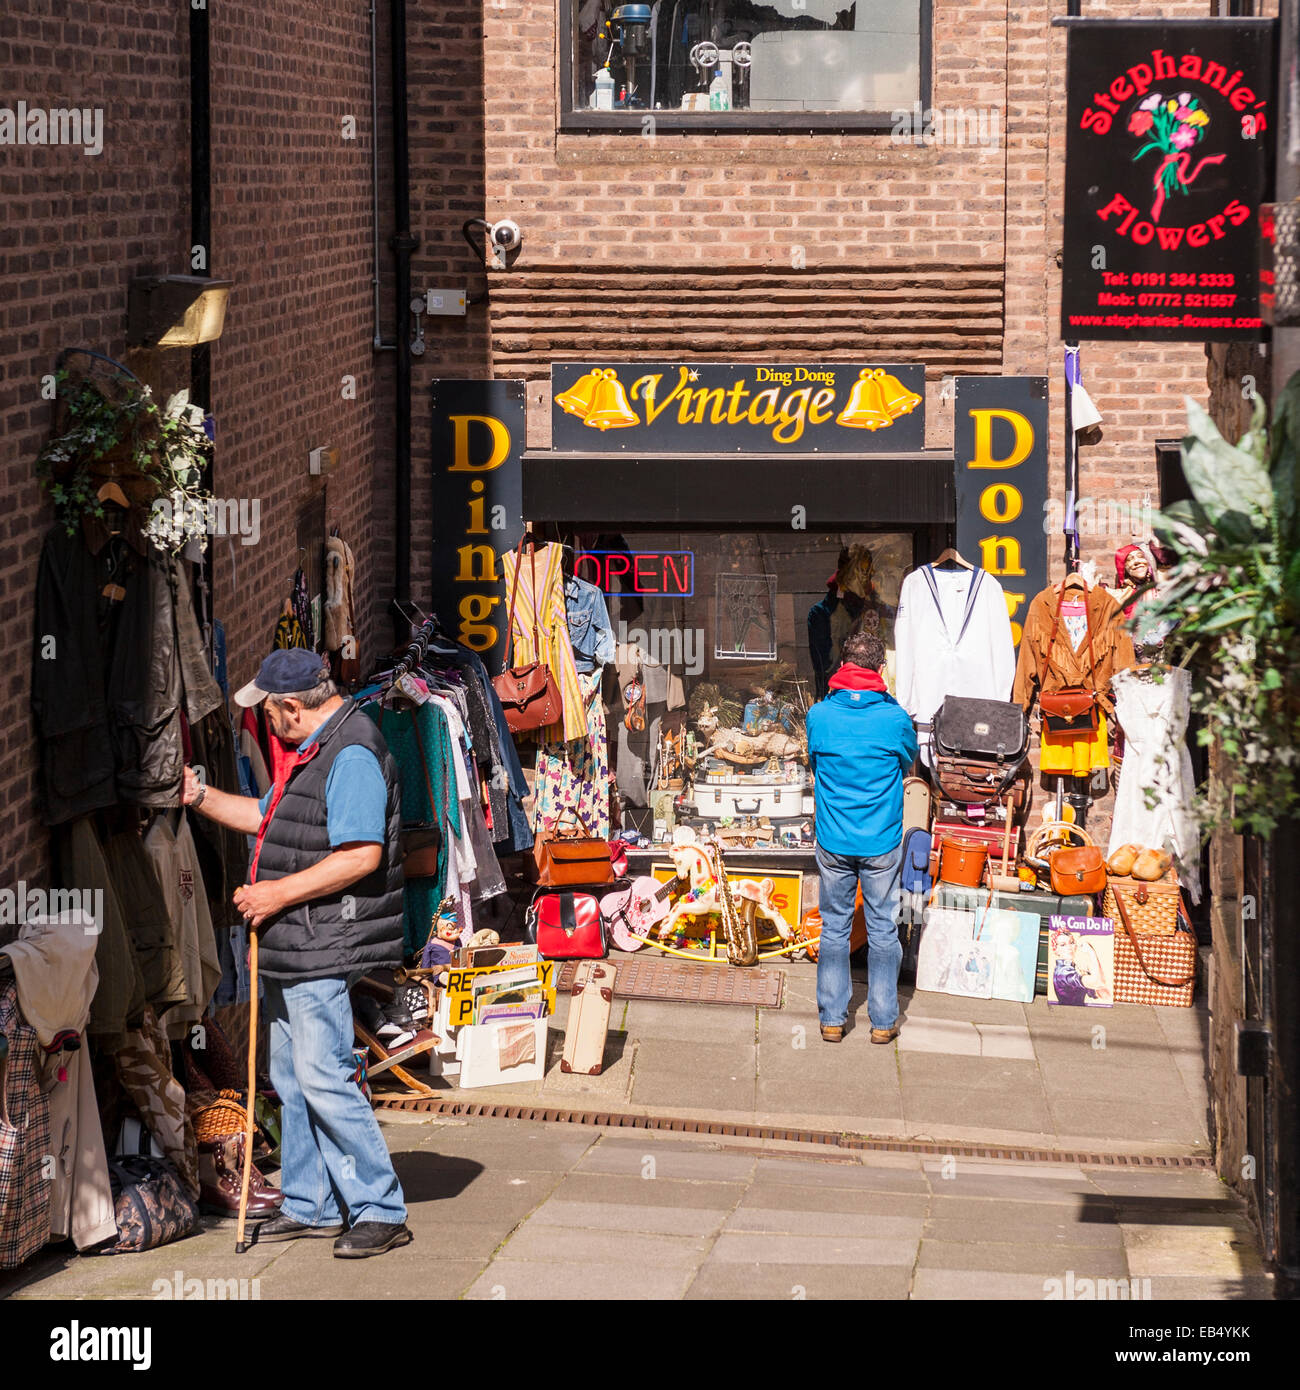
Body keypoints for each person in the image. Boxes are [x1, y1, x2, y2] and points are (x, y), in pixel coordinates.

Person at [183, 648, 412, 1258]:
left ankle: (380, 1208)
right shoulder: (313, 749)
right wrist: (197, 795)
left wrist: (273, 893)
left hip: (319, 940)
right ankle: (310, 1201)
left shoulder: (353, 752)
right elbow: (267, 818)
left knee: (322, 1073)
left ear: (290, 707)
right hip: (291, 939)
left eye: (269, 711)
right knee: (290, 1075)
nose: (268, 723)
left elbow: (360, 854)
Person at [805, 630, 917, 1044]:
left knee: (834, 928)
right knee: (883, 928)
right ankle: (883, 1021)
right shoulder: (895, 719)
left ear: (841, 666)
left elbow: (814, 761)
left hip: (834, 837)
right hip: (881, 840)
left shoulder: (819, 715)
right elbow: (908, 761)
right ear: (880, 669)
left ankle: (833, 1019)